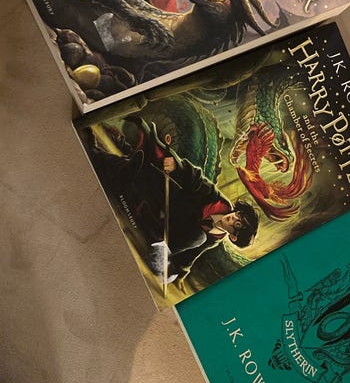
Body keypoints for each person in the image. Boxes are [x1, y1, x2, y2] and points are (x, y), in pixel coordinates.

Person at [85, 119, 259, 282]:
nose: (234, 217)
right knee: (138, 172)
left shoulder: (214, 238)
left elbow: (191, 255)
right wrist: (177, 167)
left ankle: (119, 165)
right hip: (163, 199)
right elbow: (196, 179)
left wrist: (180, 272)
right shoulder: (217, 201)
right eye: (238, 215)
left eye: (237, 224)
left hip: (159, 230)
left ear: (233, 237)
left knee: (199, 238)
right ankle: (104, 156)